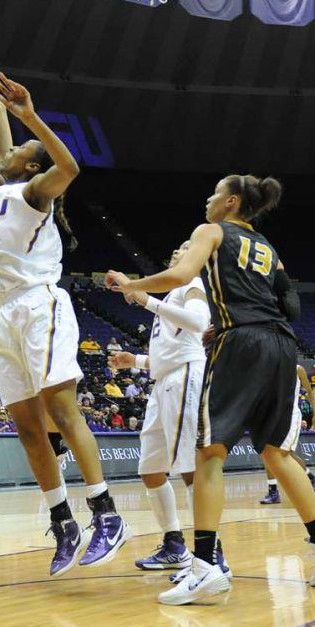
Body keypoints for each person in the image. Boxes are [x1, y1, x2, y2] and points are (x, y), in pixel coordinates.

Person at [106, 174, 315, 604]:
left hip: (241, 342)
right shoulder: (269, 247)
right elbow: (290, 304)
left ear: (231, 201)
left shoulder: (211, 230)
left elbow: (181, 273)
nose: (208, 198)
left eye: (215, 192)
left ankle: (203, 567)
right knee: (276, 452)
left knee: (209, 453)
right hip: (281, 346)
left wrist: (132, 286)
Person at [0, 58, 130, 576]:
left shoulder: (33, 191)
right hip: (4, 315)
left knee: (61, 410)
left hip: (39, 304)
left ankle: (107, 515)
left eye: (20, 149)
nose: (10, 151)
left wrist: (30, 117)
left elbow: (69, 168)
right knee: (26, 426)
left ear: (29, 164)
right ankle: (64, 521)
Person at [109, 243, 213, 575]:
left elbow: (198, 323)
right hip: (164, 381)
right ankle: (175, 546)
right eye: (176, 249)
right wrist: (135, 361)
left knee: (188, 468)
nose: (178, 250)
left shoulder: (192, 285)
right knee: (150, 469)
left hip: (185, 378)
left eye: (186, 248)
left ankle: (210, 554)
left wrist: (145, 298)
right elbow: (169, 351)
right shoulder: (171, 297)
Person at [260, 364, 315, 504]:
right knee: (266, 451)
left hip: (290, 416)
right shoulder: (268, 367)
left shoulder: (297, 368)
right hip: (271, 416)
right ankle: (273, 491)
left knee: (285, 454)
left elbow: (310, 392)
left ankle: (312, 479)